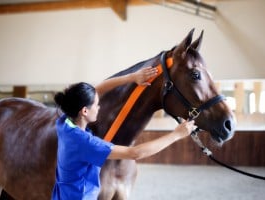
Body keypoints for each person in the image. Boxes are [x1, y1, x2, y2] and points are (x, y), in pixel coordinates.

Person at [51, 66, 195, 200]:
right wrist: (176, 134)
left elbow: (98, 89)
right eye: (96, 104)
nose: (99, 106)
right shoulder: (86, 143)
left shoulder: (65, 121)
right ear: (84, 111)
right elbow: (135, 153)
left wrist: (132, 77)